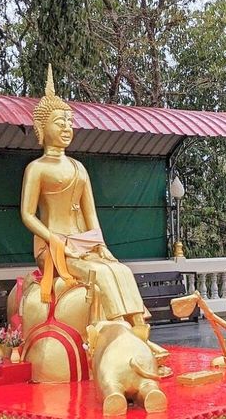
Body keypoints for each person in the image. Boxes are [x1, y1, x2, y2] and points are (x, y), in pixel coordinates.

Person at [20, 65, 150, 340]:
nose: (67, 128)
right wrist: (54, 240)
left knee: (119, 269)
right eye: (59, 122)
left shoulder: (79, 168)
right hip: (52, 247)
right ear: (42, 128)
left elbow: (91, 217)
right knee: (98, 274)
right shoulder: (37, 168)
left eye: (69, 122)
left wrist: (102, 247)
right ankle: (117, 333)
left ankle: (139, 329)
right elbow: (27, 215)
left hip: (83, 243)